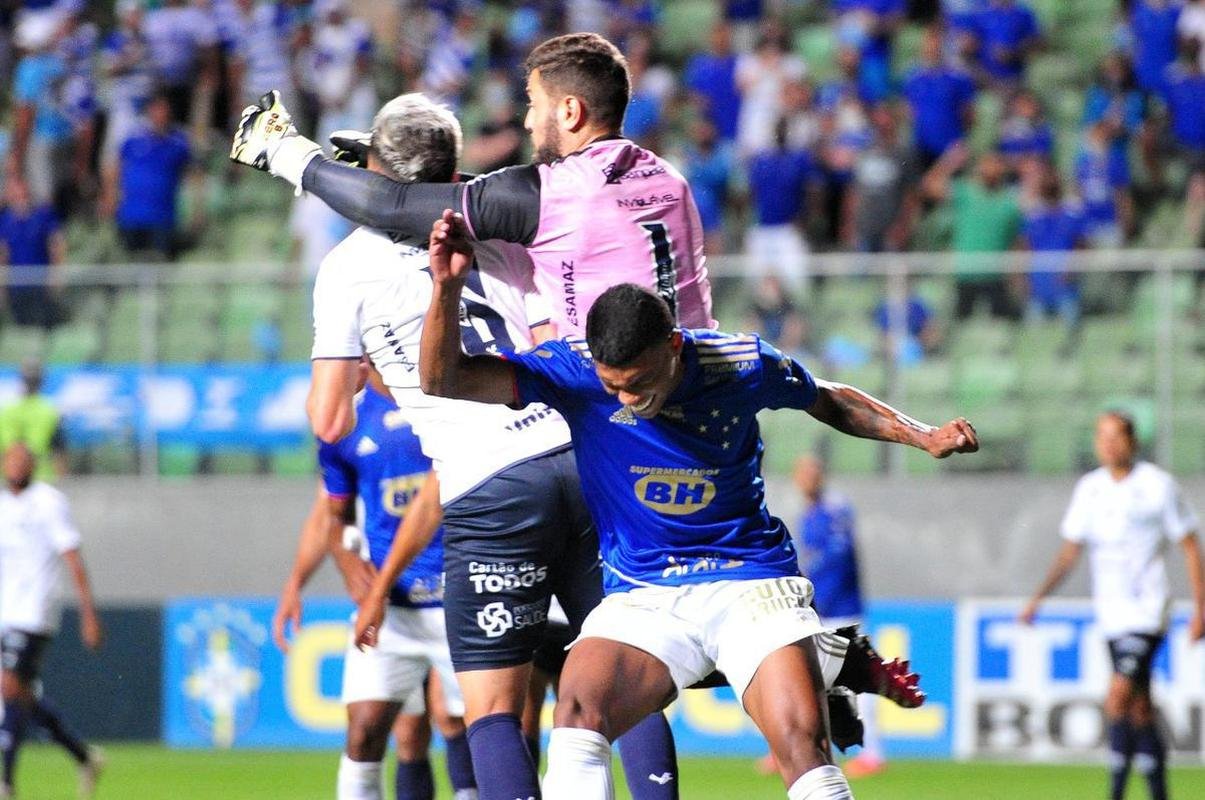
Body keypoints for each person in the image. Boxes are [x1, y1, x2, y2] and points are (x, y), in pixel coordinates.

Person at [417, 211, 979, 800]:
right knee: (577, 718)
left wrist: (922, 435)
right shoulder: (575, 372)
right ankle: (828, 658)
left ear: (674, 346)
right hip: (645, 593)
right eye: (614, 388)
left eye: (638, 381)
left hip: (749, 583)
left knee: (802, 749)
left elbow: (828, 399)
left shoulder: (737, 363)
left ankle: (819, 661)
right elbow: (442, 379)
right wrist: (447, 286)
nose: (628, 399)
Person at [303, 93, 678, 800]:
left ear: (374, 174)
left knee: (494, 708)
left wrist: (367, 368)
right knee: (624, 665)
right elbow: (547, 344)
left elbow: (328, 420)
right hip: (578, 459)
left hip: (491, 483)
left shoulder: (347, 265)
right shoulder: (503, 232)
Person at [230, 31, 714, 336]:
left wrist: (288, 155)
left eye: (533, 103)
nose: (527, 122)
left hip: (622, 417)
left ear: (569, 111)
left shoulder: (552, 194)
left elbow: (394, 204)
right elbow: (515, 206)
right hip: (698, 393)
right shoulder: (668, 176)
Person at [276, 367, 475, 800]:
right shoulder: (345, 424)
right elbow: (336, 522)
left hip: (460, 599)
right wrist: (347, 566)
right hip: (388, 613)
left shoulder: (451, 405)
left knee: (463, 724)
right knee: (368, 730)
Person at [1021, 411, 1204, 800]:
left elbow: (1189, 545)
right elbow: (1071, 552)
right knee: (1139, 707)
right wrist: (1037, 599)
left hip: (1148, 612)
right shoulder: (1090, 489)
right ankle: (1159, 793)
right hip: (1111, 615)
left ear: (1133, 442)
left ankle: (1116, 793)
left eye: (1116, 436)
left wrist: (1201, 609)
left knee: (1117, 695)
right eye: (1101, 437)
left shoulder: (1157, 486)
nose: (1108, 444)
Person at [0, 443, 104, 799]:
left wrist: (88, 614)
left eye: (22, 460)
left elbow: (72, 557)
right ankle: (83, 755)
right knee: (19, 694)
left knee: (9, 686)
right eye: (10, 460)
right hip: (5, 612)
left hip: (34, 612)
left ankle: (7, 783)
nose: (15, 466)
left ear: (33, 465)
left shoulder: (49, 501)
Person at [792, 457, 884, 779]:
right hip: (819, 612)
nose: (807, 479)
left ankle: (872, 753)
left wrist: (806, 581)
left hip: (843, 610)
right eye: (803, 473)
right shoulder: (808, 514)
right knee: (806, 683)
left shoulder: (835, 508)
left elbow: (839, 555)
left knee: (854, 684)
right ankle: (798, 749)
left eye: (813, 472)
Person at [105, 90, 197, 261]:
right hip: (130, 217)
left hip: (162, 219)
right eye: (157, 109)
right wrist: (110, 198)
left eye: (164, 110)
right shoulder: (132, 140)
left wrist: (196, 210)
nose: (161, 115)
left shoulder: (179, 143)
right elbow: (114, 168)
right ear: (149, 111)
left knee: (159, 267)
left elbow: (194, 175)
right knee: (128, 266)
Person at [902, 27, 977, 172]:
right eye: (928, 48)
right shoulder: (913, 79)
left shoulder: (958, 78)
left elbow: (968, 114)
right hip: (921, 147)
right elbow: (909, 112)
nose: (932, 52)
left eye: (935, 48)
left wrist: (959, 142)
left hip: (950, 148)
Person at [0, 178, 65, 330]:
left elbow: (56, 245)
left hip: (40, 284)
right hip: (16, 287)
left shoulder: (42, 215)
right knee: (22, 328)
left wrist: (56, 275)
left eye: (22, 193)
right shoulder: (5, 221)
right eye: (14, 194)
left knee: (41, 326)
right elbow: (3, 254)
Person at [0, 360, 66, 482]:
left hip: (9, 480)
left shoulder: (6, 411)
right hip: (41, 478)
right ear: (42, 381)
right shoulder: (50, 411)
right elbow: (59, 450)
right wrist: (61, 481)